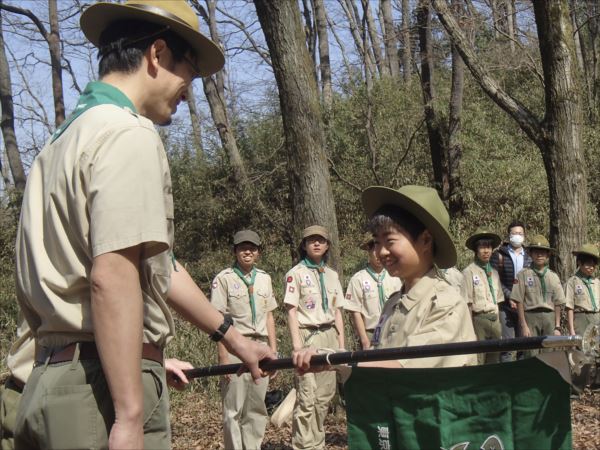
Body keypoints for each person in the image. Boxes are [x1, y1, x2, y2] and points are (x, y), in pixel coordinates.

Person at [13, 2, 273, 449]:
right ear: (156, 53)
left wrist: (237, 339)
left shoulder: (60, 143)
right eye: (188, 73)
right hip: (100, 392)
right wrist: (130, 415)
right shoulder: (127, 133)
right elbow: (113, 274)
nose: (187, 91)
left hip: (50, 381)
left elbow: (159, 268)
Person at [294, 186, 476, 373]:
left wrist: (333, 361)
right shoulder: (393, 304)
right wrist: (327, 355)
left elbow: (405, 366)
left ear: (426, 240)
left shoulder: (445, 305)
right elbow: (376, 357)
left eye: (389, 241)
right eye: (377, 242)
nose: (381, 252)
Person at [210, 230, 278, 450]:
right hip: (235, 348)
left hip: (261, 347)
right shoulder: (224, 279)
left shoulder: (265, 278)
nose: (247, 251)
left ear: (258, 252)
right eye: (242, 247)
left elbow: (269, 316)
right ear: (235, 251)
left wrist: (273, 350)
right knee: (233, 409)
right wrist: (223, 357)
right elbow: (218, 319)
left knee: (256, 407)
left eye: (252, 248)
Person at [284, 225, 345, 450]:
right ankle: (303, 446)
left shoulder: (332, 275)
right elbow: (291, 311)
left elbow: (338, 311)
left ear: (327, 245)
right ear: (304, 245)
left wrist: (341, 346)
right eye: (311, 241)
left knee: (324, 398)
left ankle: (317, 444)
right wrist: (297, 346)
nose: (316, 244)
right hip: (308, 335)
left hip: (329, 334)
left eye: (321, 240)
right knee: (307, 398)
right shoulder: (296, 274)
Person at [343, 232, 402, 350]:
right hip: (371, 333)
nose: (378, 254)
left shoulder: (395, 276)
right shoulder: (358, 279)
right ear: (368, 252)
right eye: (374, 250)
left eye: (380, 249)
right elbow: (355, 312)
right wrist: (364, 340)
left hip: (393, 330)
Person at [510, 235, 565, 358]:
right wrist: (523, 325)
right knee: (531, 353)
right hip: (530, 317)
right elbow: (519, 301)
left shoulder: (553, 276)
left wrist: (557, 326)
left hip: (549, 318)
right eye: (536, 252)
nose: (539, 255)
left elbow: (558, 303)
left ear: (548, 255)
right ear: (530, 254)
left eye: (542, 252)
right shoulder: (523, 274)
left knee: (550, 354)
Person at [490, 220, 532, 362]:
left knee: (524, 346)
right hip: (505, 306)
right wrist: (510, 297)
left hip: (525, 306)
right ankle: (505, 379)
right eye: (514, 233)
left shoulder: (529, 256)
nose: (517, 236)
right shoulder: (498, 255)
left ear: (524, 236)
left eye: (520, 233)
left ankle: (521, 379)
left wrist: (521, 299)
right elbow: (494, 279)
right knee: (506, 347)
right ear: (509, 236)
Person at [461, 229, 504, 364]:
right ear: (476, 250)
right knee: (478, 359)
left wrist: (499, 324)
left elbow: (498, 300)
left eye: (489, 247)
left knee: (495, 358)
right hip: (478, 320)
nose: (486, 251)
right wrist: (470, 330)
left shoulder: (494, 273)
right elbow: (467, 303)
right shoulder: (468, 272)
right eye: (482, 247)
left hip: (494, 320)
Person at [564, 243, 600, 389]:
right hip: (581, 317)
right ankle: (577, 388)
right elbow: (569, 307)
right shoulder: (573, 282)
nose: (590, 267)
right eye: (587, 264)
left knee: (598, 351)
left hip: (596, 317)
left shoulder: (597, 282)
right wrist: (571, 329)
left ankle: (597, 384)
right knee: (582, 354)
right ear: (579, 262)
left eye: (593, 265)